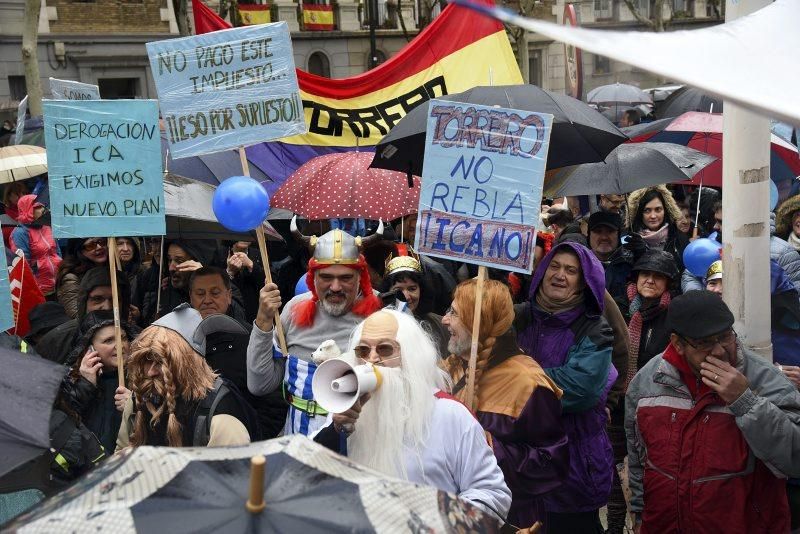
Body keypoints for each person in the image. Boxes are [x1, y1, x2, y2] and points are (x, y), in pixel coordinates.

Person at [625, 291, 800, 533]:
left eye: (725, 336)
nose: (719, 351)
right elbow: (638, 457)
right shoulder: (647, 381)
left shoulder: (764, 378)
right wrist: (639, 511)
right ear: (678, 343)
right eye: (705, 342)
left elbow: (795, 458)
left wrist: (745, 401)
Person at [315, 310, 512, 520]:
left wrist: (441, 524)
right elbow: (307, 473)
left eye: (384, 349)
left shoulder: (450, 415)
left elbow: (492, 493)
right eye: (363, 350)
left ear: (410, 356)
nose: (372, 359)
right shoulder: (345, 409)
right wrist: (336, 431)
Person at [442, 279, 568, 529]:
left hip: (510, 520)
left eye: (454, 313)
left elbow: (553, 464)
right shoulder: (450, 367)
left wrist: (491, 449)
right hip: (454, 514)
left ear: (479, 322)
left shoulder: (528, 383)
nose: (445, 320)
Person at [246, 219, 383, 436]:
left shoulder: (383, 313)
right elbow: (260, 384)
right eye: (326, 277)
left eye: (345, 278)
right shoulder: (294, 309)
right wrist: (263, 319)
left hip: (360, 445)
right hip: (298, 444)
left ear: (361, 277)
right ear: (312, 277)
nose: (335, 287)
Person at [515, 242, 615, 532]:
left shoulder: (594, 328)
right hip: (522, 464)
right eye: (554, 266)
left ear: (583, 283)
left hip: (573, 468)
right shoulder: (518, 317)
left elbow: (578, 389)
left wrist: (513, 377)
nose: (560, 275)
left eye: (571, 271)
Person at [117, 304, 256, 448]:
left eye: (160, 362)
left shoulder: (220, 412)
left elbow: (229, 469)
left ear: (187, 364)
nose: (151, 372)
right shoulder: (139, 399)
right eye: (146, 360)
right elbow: (121, 459)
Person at [189, 266, 287, 439]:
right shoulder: (181, 342)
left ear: (229, 296)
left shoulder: (252, 340)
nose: (207, 300)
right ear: (191, 297)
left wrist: (251, 439)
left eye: (215, 292)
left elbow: (273, 402)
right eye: (200, 293)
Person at [61, 311, 135, 454]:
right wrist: (84, 386)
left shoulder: (143, 376)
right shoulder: (72, 379)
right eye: (109, 340)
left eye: (124, 338)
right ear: (90, 348)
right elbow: (65, 421)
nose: (120, 345)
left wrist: (134, 407)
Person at [37, 266, 133, 365]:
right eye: (98, 299)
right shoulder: (56, 341)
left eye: (115, 300)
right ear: (84, 302)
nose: (107, 307)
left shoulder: (137, 338)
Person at [381, 252, 449, 358]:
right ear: (387, 293)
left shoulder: (440, 325)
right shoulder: (376, 325)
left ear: (422, 290)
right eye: (398, 290)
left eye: (412, 289)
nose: (407, 296)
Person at [627, 185, 689, 271]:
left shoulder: (680, 239)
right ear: (640, 213)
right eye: (647, 210)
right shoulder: (629, 240)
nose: (653, 216)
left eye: (658, 210)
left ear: (665, 211)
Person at [9, 195, 61, 296]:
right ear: (27, 209)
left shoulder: (47, 226)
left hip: (58, 284)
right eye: (37, 207)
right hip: (40, 289)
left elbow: (57, 252)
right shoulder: (20, 233)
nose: (42, 209)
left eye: (42, 206)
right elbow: (24, 265)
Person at [587, 211, 634, 309]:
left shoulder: (632, 263)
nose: (604, 237)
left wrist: (641, 256)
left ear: (619, 234)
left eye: (610, 231)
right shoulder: (579, 265)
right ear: (589, 235)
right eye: (598, 231)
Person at [56, 238, 109, 318]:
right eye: (90, 246)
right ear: (79, 251)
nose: (99, 247)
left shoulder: (111, 269)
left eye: (102, 242)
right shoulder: (71, 277)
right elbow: (75, 315)